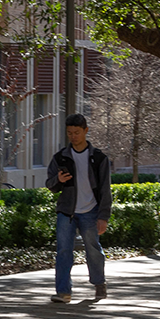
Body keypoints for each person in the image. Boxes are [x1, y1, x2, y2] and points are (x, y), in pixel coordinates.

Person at [47, 112, 114, 297]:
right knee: (63, 251)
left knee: (93, 250)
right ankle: (63, 292)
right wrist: (57, 180)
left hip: (91, 211)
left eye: (76, 132)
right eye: (69, 133)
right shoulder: (61, 157)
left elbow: (105, 189)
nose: (73, 136)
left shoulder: (99, 158)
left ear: (86, 131)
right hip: (66, 212)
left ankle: (99, 282)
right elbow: (50, 185)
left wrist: (103, 217)